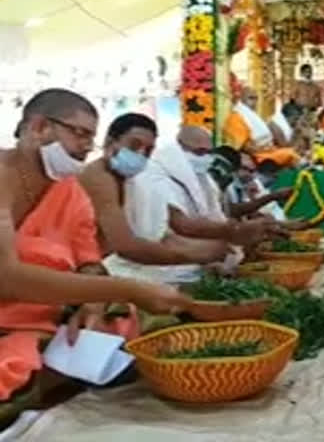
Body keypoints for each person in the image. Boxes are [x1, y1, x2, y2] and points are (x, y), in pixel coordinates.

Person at [0, 89, 190, 407]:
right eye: (80, 134)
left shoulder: (69, 190)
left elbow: (88, 259)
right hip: (12, 322)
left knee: (125, 321)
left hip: (47, 317)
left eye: (92, 137)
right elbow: (8, 278)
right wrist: (129, 289)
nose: (88, 147)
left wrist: (91, 304)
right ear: (39, 128)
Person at [104, 125, 285, 284]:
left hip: (187, 263)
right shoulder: (152, 175)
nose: (205, 158)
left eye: (208, 152)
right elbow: (181, 225)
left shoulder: (203, 179)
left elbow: (214, 218)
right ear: (179, 148)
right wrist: (232, 234)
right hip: (153, 272)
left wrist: (235, 235)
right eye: (199, 152)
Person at [80, 114, 228, 270]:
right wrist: (196, 255)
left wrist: (209, 249)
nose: (141, 154)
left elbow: (162, 234)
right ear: (110, 142)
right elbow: (125, 247)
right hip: (93, 268)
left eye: (148, 150)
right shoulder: (98, 178)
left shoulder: (136, 180)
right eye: (134, 145)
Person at [223, 88, 300, 169]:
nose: (254, 102)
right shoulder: (236, 117)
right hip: (258, 157)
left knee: (293, 153)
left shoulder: (251, 115)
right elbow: (245, 147)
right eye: (251, 98)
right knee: (291, 154)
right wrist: (266, 150)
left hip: (268, 151)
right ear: (241, 98)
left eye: (256, 98)